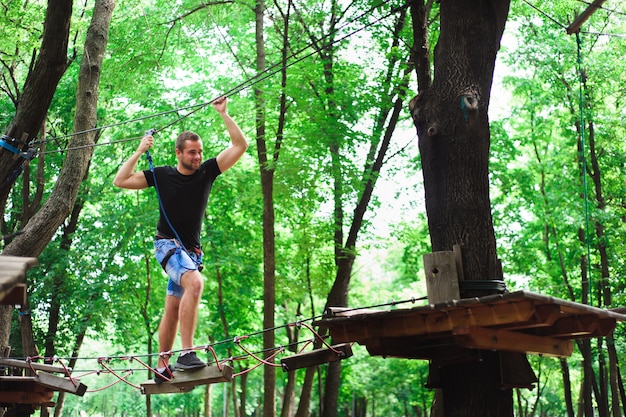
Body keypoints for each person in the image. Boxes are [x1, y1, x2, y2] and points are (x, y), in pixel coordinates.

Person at [113, 96, 248, 382]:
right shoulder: (161, 175)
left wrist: (224, 114)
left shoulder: (208, 172)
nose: (197, 157)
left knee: (173, 306)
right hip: (168, 246)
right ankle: (187, 352)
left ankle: (163, 365)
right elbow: (121, 181)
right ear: (178, 153)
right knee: (195, 282)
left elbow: (240, 146)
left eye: (199, 152)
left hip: (191, 253)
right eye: (191, 153)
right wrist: (139, 150)